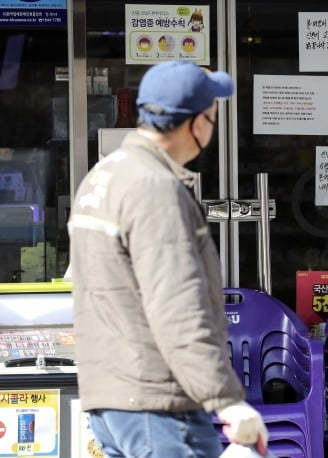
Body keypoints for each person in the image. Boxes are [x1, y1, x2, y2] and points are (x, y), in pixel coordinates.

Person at [68, 61, 268, 458]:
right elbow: (178, 308)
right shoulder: (155, 188)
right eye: (212, 115)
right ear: (196, 123)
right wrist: (227, 401)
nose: (212, 126)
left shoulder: (103, 176)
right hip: (157, 403)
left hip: (112, 397)